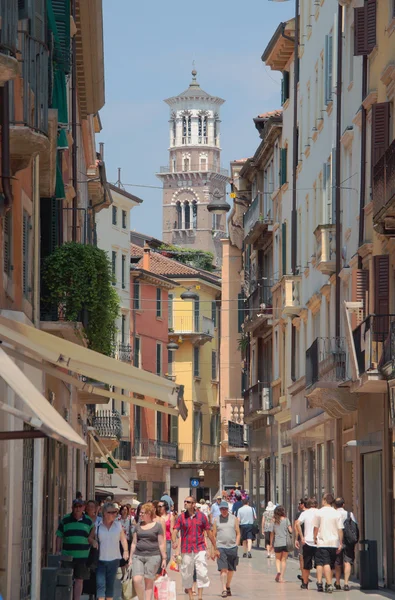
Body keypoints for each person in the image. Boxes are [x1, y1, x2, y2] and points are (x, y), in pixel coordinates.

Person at [172, 496, 217, 600]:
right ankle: (191, 597)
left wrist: (214, 547)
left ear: (193, 504)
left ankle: (200, 597)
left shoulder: (202, 517)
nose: (186, 503)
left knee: (202, 572)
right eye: (185, 501)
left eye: (188, 502)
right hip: (186, 549)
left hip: (199, 547)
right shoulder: (181, 517)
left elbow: (209, 533)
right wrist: (174, 541)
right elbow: (175, 530)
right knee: (187, 573)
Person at [56, 499, 95, 600]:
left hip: (82, 556)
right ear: (72, 507)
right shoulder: (65, 520)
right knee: (67, 579)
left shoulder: (89, 521)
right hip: (67, 555)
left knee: (79, 580)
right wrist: (57, 551)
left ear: (83, 508)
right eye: (75, 506)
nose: (77, 508)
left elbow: (92, 535)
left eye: (79, 506)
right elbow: (59, 536)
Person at [130, 502, 167, 600]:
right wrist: (130, 558)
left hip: (153, 556)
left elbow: (161, 543)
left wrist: (164, 558)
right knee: (136, 580)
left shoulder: (157, 526)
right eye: (140, 513)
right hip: (138, 556)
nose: (140, 515)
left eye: (143, 513)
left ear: (149, 513)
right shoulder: (137, 526)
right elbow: (134, 543)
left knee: (148, 582)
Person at [95, 502, 129, 600]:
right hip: (100, 559)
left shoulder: (118, 525)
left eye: (116, 512)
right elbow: (90, 537)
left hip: (114, 559)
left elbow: (123, 539)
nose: (115, 514)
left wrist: (126, 551)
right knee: (100, 585)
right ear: (105, 513)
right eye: (112, 512)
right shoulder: (97, 525)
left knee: (110, 585)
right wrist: (93, 541)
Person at [313, 493, 344, 593]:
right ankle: (328, 582)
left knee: (325, 562)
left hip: (323, 541)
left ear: (325, 500)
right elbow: (340, 529)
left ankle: (329, 584)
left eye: (322, 499)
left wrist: (314, 537)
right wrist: (340, 542)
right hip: (334, 542)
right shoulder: (336, 513)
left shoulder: (319, 512)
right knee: (331, 564)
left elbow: (316, 527)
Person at [212, 501, 241, 597]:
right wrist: (214, 549)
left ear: (228, 509)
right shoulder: (216, 520)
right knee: (223, 569)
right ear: (220, 510)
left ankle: (228, 586)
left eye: (225, 509)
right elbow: (213, 535)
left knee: (231, 570)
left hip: (232, 547)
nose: (223, 511)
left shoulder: (234, 519)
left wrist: (236, 544)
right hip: (221, 547)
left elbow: (238, 533)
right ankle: (224, 589)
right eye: (221, 509)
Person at [334, 497, 358, 591]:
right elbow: (355, 526)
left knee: (337, 562)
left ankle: (338, 582)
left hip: (336, 541)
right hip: (348, 541)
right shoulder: (349, 514)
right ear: (343, 504)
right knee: (347, 561)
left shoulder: (334, 514)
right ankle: (346, 583)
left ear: (335, 505)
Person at [295, 497, 318, 589]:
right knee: (320, 564)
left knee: (306, 564)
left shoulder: (305, 513)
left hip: (307, 541)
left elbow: (297, 524)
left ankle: (305, 582)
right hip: (318, 542)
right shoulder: (319, 512)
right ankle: (320, 583)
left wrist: (301, 536)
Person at [270, 505, 292, 583]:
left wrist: (271, 544)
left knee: (277, 559)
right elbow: (291, 530)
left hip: (277, 543)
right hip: (285, 543)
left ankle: (278, 572)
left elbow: (272, 533)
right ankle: (282, 577)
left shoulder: (273, 520)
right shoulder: (286, 520)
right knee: (283, 560)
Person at [83, 500, 100, 600]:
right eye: (88, 507)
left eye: (92, 507)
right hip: (84, 548)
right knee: (87, 570)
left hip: (96, 549)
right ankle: (89, 594)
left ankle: (96, 593)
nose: (90, 509)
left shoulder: (99, 520)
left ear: (96, 508)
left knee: (95, 570)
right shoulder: (83, 519)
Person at [119, 504, 134, 576]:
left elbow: (134, 529)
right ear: (121, 511)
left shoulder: (131, 519)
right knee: (121, 558)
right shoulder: (117, 520)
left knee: (127, 558)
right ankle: (123, 574)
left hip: (128, 540)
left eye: (126, 510)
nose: (124, 511)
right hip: (120, 541)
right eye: (123, 509)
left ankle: (128, 574)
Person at [294, 498, 307, 581]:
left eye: (299, 503)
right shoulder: (313, 513)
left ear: (303, 504)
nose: (298, 505)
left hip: (302, 538)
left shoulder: (299, 514)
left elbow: (296, 527)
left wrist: (296, 538)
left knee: (302, 557)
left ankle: (304, 575)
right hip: (312, 538)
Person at [158, 499, 173, 564]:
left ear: (165, 507)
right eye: (158, 506)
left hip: (167, 540)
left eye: (161, 506)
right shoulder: (157, 517)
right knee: (159, 558)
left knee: (168, 557)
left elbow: (171, 529)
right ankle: (159, 572)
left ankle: (161, 571)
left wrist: (174, 541)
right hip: (158, 540)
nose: (160, 508)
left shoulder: (170, 516)